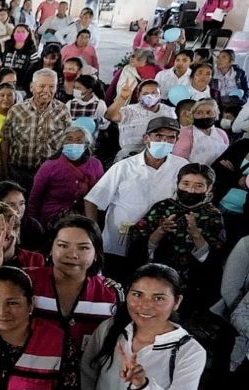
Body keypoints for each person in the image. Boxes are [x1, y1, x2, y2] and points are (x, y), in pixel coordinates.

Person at [85, 117, 189, 278]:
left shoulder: (181, 166)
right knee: (117, 282)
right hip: (119, 241)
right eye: (159, 136)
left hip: (160, 243)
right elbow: (93, 200)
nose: (164, 141)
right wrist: (93, 235)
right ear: (146, 138)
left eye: (170, 138)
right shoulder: (124, 167)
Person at [128, 163, 225, 313]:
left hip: (189, 287)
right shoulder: (162, 207)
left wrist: (195, 234)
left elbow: (214, 258)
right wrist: (160, 231)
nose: (190, 190)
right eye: (185, 184)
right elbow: (138, 243)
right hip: (153, 278)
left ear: (209, 188)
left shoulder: (213, 215)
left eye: (199, 186)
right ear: (178, 183)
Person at [29, 215, 120, 351]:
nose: (72, 255)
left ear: (96, 253)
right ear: (51, 248)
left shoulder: (110, 295)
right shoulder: (26, 282)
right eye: (63, 245)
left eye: (83, 248)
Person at [0, 68, 71, 188]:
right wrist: (5, 173)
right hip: (19, 172)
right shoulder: (16, 110)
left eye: (51, 86)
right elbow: (5, 142)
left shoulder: (63, 111)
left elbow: (67, 142)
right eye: (42, 86)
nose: (47, 91)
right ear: (32, 87)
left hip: (51, 173)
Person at [29, 127, 104, 227]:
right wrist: (32, 224)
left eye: (79, 140)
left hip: (86, 214)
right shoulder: (49, 165)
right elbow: (35, 198)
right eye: (69, 139)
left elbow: (99, 195)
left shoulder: (96, 165)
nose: (74, 143)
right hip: (53, 215)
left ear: (86, 145)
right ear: (63, 144)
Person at [105, 79, 176, 162]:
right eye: (145, 94)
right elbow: (110, 116)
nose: (150, 96)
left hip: (160, 157)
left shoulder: (170, 112)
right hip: (129, 157)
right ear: (139, 96)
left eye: (154, 93)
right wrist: (122, 98)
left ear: (160, 95)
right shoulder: (130, 111)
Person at [172, 99, 229, 165]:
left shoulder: (221, 133)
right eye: (199, 113)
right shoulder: (185, 133)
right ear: (193, 115)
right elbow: (178, 161)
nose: (204, 116)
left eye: (209, 112)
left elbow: (228, 155)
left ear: (216, 115)